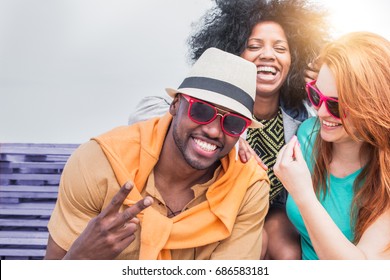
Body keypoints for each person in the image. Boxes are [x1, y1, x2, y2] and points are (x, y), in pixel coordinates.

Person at [128, 0, 329, 259]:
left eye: (281, 48)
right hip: (212, 204)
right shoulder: (209, 102)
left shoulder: (303, 118)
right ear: (233, 54)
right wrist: (229, 133)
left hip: (270, 209)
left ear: (294, 59)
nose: (268, 55)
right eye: (253, 46)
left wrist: (323, 79)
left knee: (286, 250)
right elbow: (143, 110)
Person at [44, 48, 270, 260]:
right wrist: (79, 259)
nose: (213, 130)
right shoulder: (99, 162)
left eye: (233, 122)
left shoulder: (247, 186)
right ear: (175, 105)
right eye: (201, 110)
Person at [274, 32, 390, 259]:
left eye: (337, 106)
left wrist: (303, 194)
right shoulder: (308, 133)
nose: (321, 112)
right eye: (316, 96)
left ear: (374, 106)